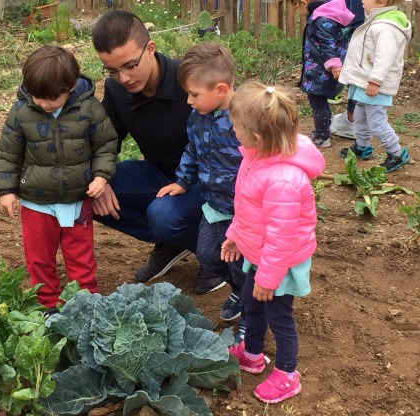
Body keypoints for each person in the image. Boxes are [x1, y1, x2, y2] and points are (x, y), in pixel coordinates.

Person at [91, 10, 219, 293]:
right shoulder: (117, 89)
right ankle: (174, 240)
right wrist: (98, 179)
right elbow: (103, 141)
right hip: (160, 177)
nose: (122, 78)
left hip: (209, 183)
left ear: (150, 48)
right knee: (86, 190)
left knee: (164, 215)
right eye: (112, 70)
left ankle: (217, 253)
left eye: (129, 65)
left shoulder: (190, 82)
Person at [222, 82, 325, 404]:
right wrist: (234, 237)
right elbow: (248, 209)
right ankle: (252, 354)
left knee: (280, 318)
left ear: (255, 137)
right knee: (252, 306)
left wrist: (269, 279)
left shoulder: (282, 180)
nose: (232, 130)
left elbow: (282, 239)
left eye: (235, 127)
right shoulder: (255, 158)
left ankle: (287, 373)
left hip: (280, 261)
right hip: (259, 253)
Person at [0, 45, 118, 309]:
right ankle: (46, 304)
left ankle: (86, 304)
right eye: (36, 96)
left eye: (50, 98)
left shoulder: (89, 109)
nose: (43, 104)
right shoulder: (21, 112)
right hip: (36, 202)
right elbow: (8, 153)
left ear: (70, 86)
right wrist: (6, 190)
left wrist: (101, 177)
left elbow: (105, 145)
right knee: (39, 259)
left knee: (81, 258)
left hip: (78, 200)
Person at [156, 42, 246, 341]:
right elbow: (192, 151)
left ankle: (252, 309)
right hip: (214, 204)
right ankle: (240, 292)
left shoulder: (244, 118)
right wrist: (182, 180)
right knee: (209, 256)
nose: (189, 101)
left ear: (220, 89)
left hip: (247, 211)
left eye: (194, 94)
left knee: (249, 263)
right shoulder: (198, 117)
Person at [338, 0, 412, 172]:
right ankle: (362, 146)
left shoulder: (386, 26)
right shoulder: (376, 21)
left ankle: (396, 153)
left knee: (376, 122)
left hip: (374, 84)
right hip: (365, 81)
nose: (362, 1)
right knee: (360, 115)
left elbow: (385, 56)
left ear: (381, 2)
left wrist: (375, 80)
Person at [293, 0, 354, 149]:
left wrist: (334, 66)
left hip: (320, 72)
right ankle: (323, 129)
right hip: (319, 70)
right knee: (320, 102)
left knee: (317, 102)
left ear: (303, 2)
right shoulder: (326, 17)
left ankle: (322, 136)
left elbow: (328, 44)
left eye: (295, 5)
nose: (295, 10)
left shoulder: (321, 20)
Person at [330, 0, 366, 138]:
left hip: (357, 25)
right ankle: (355, 117)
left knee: (357, 63)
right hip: (357, 22)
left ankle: (353, 119)